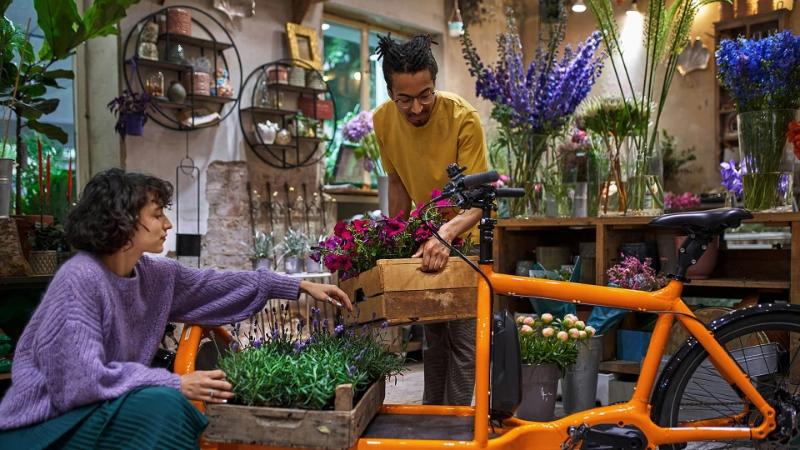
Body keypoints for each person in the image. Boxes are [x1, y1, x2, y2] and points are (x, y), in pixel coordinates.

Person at [0, 169, 351, 449]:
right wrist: (174, 382)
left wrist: (297, 286)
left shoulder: (153, 274)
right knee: (164, 406)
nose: (168, 223)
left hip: (99, 409)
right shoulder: (80, 279)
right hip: (45, 426)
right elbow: (80, 383)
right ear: (122, 220)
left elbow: (213, 286)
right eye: (157, 214)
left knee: (164, 405)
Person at [373, 34, 489, 406]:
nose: (417, 107)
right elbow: (397, 185)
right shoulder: (383, 121)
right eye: (404, 99)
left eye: (425, 95)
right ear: (391, 90)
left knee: (463, 342)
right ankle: (432, 417)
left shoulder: (462, 118)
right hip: (427, 240)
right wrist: (391, 243)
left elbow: (479, 202)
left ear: (434, 83)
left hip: (466, 237)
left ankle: (456, 428)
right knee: (434, 340)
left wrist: (445, 234)